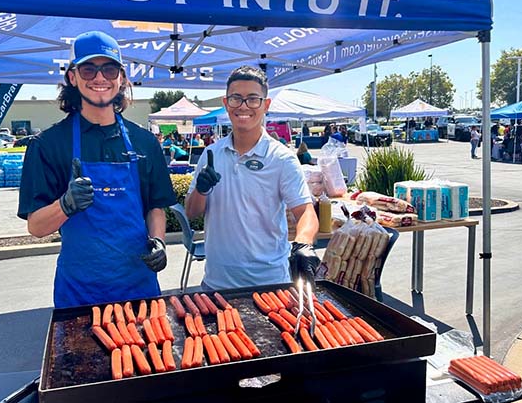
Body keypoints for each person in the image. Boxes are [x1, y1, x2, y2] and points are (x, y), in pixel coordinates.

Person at [17, 31, 176, 308]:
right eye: (88, 69)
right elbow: (36, 227)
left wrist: (158, 241)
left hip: (139, 287)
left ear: (122, 78)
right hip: (79, 293)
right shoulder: (48, 145)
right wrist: (65, 205)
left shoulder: (145, 142)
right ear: (72, 77)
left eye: (109, 69)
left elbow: (155, 207)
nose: (100, 78)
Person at [184, 66, 320, 291]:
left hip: (271, 284)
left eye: (253, 99)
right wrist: (201, 189)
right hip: (216, 283)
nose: (244, 106)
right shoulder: (211, 154)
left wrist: (304, 243)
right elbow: (191, 211)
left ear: (266, 105)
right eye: (236, 98)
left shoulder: (282, 158)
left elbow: (305, 212)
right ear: (226, 103)